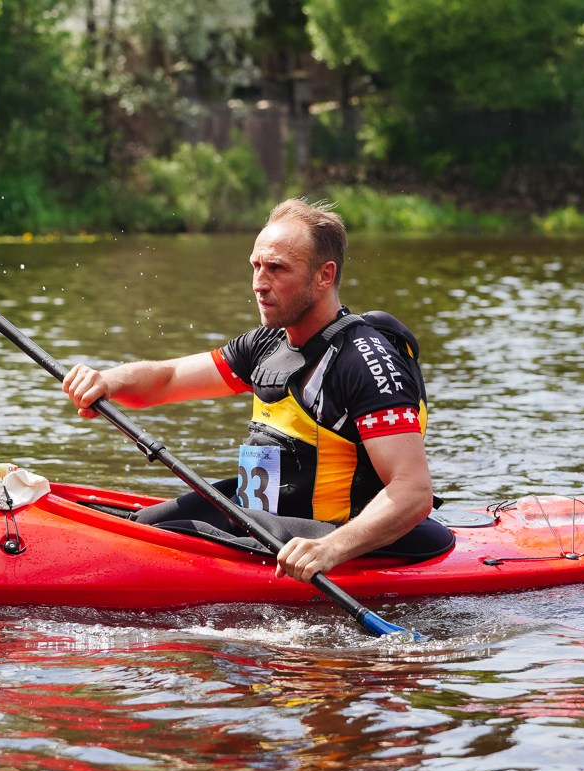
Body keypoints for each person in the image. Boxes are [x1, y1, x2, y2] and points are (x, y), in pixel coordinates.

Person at [62, 198, 454, 586]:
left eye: (277, 268)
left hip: (332, 537)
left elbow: (413, 492)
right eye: (256, 266)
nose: (259, 283)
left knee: (168, 534)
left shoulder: (363, 362)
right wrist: (108, 381)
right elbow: (167, 379)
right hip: (263, 519)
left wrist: (330, 549)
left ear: (324, 275)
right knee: (140, 525)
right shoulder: (266, 343)